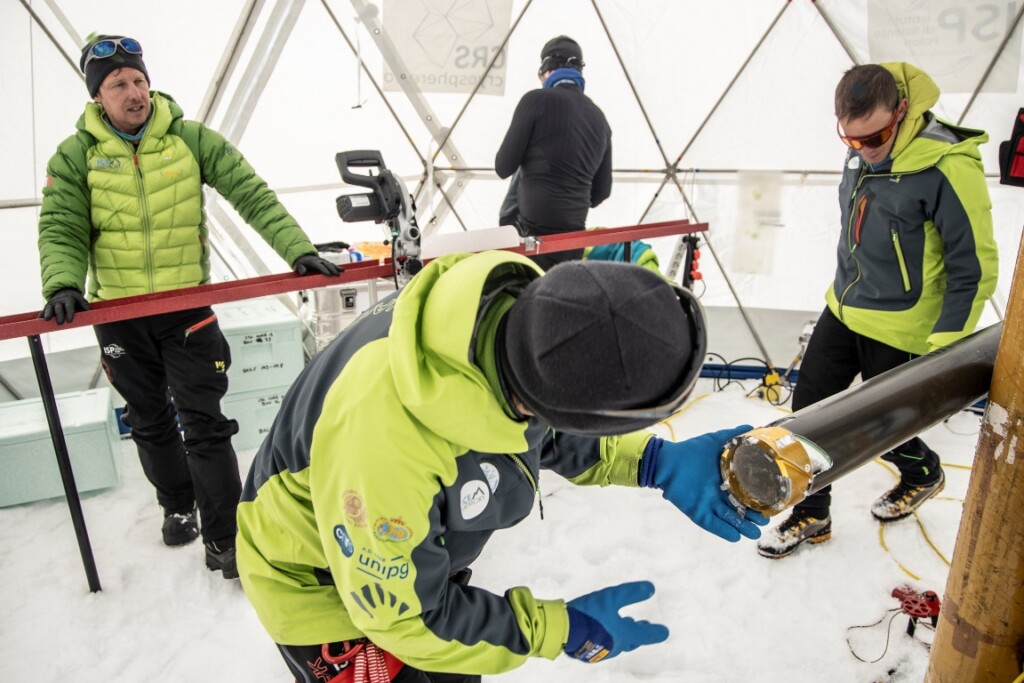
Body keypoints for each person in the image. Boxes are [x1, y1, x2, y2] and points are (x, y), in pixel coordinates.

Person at [237, 252, 767, 682]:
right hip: (317, 580)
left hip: (412, 558)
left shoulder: (515, 322)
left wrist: (655, 462)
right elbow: (406, 618)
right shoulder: (385, 440)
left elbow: (544, 430)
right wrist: (555, 628)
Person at [36, 34, 340, 579]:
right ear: (96, 97)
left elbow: (252, 194)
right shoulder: (76, 154)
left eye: (138, 81)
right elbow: (61, 225)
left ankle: (226, 538)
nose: (134, 93)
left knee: (205, 423)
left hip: (187, 310)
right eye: (119, 85)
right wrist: (61, 284)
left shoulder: (189, 139)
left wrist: (298, 249)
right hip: (119, 317)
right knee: (150, 422)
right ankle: (177, 506)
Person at [757, 62, 998, 559]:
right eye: (851, 141)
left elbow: (972, 267)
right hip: (843, 309)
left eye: (875, 137)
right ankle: (812, 513)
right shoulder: (862, 155)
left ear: (903, 111)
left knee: (882, 431)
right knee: (807, 415)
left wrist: (944, 351)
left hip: (906, 325)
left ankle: (923, 472)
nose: (864, 149)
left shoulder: (946, 166)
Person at [495, 36, 612, 270]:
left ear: (547, 70)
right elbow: (601, 193)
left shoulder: (535, 101)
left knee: (522, 168)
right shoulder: (600, 119)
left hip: (530, 241)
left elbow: (503, 167)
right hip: (572, 244)